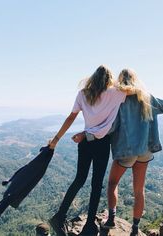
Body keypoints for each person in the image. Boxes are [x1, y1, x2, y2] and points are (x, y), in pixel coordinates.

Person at [100, 69, 163, 236]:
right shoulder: (147, 97)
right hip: (145, 150)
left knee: (112, 184)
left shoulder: (119, 100)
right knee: (139, 190)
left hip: (126, 150)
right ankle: (135, 229)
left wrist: (92, 133)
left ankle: (111, 220)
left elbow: (112, 126)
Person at [48, 65, 133, 236]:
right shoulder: (115, 93)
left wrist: (56, 139)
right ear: (110, 79)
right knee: (96, 184)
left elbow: (71, 117)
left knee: (79, 179)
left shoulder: (83, 93)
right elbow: (135, 90)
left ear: (92, 78)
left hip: (85, 142)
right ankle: (89, 226)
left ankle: (59, 216)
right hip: (102, 144)